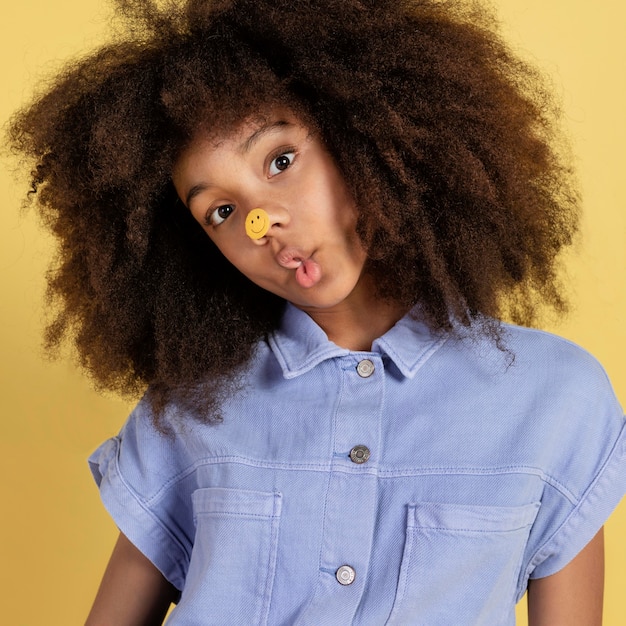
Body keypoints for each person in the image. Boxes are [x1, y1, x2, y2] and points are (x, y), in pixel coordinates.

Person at [8, 0, 625, 623]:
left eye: (280, 160)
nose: (261, 222)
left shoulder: (553, 398)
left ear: (361, 131)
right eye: (220, 212)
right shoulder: (190, 409)